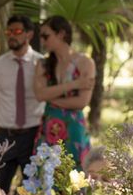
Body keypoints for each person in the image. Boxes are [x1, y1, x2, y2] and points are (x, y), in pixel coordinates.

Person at [0, 15, 46, 194]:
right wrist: (9, 119)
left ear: (29, 34)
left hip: (33, 135)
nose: (11, 35)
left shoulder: (42, 63)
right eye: (9, 32)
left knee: (35, 193)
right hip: (5, 136)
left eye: (17, 31)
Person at [33, 15, 95, 170]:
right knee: (45, 179)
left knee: (76, 181)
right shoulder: (43, 64)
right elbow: (39, 95)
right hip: (49, 129)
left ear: (61, 34)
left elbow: (81, 102)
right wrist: (75, 84)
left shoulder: (85, 62)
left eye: (46, 36)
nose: (42, 41)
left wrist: (52, 99)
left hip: (74, 129)